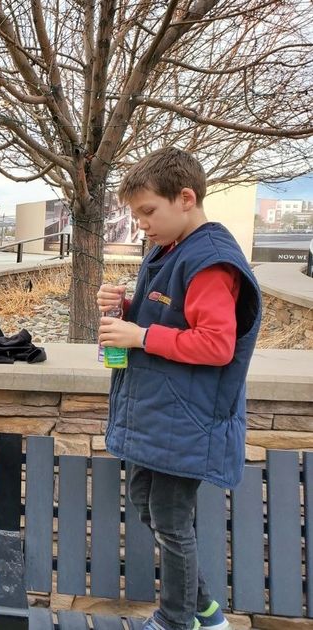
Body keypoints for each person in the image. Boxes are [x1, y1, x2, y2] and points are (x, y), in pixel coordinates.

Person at [97, 148, 262, 630]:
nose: (141, 225)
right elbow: (170, 317)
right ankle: (206, 611)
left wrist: (141, 336)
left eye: (148, 212)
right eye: (136, 215)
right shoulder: (168, 250)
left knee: (169, 517)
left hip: (186, 421)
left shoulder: (210, 263)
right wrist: (124, 307)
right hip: (162, 417)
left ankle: (176, 621)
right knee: (150, 505)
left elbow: (216, 344)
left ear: (186, 198)